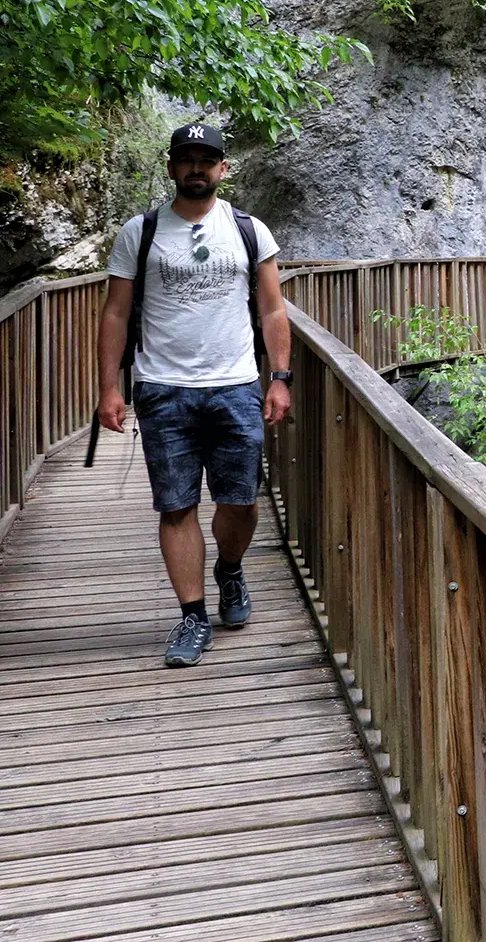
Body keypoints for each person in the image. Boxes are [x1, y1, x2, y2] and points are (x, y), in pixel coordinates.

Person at [95, 123, 293, 667]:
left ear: (223, 168)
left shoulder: (250, 230)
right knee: (176, 506)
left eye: (207, 159)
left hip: (234, 386)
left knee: (241, 503)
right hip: (163, 388)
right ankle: (192, 616)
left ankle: (229, 568)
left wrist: (280, 377)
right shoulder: (142, 231)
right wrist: (110, 386)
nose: (197, 168)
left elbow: (272, 309)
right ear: (172, 167)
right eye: (187, 159)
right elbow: (115, 311)